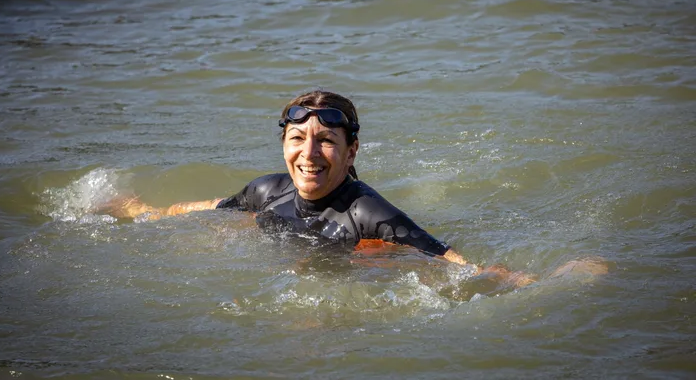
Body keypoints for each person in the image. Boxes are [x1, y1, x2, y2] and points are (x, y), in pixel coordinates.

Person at [106, 90, 606, 287]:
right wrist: (141, 211)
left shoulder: (368, 213)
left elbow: (452, 261)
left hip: (353, 265)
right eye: (298, 138)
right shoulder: (268, 190)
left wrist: (544, 281)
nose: (309, 154)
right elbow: (210, 207)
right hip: (290, 247)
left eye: (326, 142)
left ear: (352, 152)